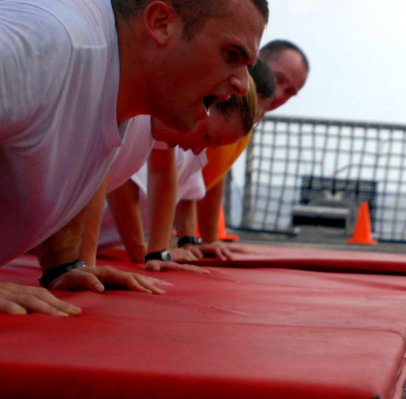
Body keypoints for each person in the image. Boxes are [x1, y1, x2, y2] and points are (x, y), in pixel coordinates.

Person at [0, 0, 268, 316]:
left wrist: (64, 265)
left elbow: (70, 151)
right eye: (231, 55)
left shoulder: (113, 79)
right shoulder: (51, 40)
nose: (240, 84)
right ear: (160, 23)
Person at [98, 75, 260, 271]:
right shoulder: (135, 112)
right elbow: (108, 182)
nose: (200, 149)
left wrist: (159, 252)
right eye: (207, 136)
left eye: (211, 145)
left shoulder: (167, 134)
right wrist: (79, 262)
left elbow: (165, 175)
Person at [183, 40, 309, 260]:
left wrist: (210, 239)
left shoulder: (244, 123)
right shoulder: (213, 107)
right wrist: (162, 247)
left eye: (290, 92)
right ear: (255, 60)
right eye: (278, 79)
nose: (279, 94)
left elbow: (213, 176)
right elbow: (169, 173)